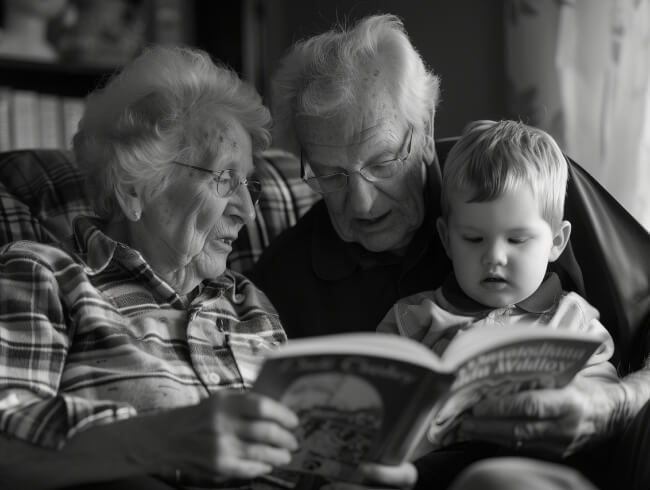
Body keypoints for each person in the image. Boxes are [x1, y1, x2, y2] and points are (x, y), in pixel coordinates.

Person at [249, 13, 650, 490]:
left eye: (382, 162)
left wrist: (613, 403)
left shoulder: (520, 185)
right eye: (331, 175)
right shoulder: (284, 279)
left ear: (425, 129)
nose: (362, 201)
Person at [0, 45, 416, 490]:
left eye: (249, 185)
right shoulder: (46, 278)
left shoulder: (249, 305)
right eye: (223, 179)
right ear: (134, 187)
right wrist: (166, 440)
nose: (246, 211)